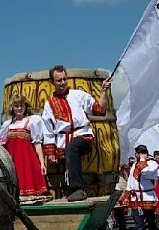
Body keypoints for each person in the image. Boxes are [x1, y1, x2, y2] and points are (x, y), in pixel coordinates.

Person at [42, 65, 110, 202]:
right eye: (58, 80)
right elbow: (48, 130)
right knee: (67, 152)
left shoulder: (79, 95)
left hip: (83, 136)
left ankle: (77, 189)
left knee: (72, 148)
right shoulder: (49, 104)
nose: (62, 83)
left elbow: (99, 110)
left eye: (64, 79)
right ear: (52, 82)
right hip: (63, 141)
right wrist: (50, 152)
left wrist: (104, 91)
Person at [0, 94, 50, 203]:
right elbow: (3, 144)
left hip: (26, 159)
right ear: (12, 107)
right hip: (12, 159)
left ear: (25, 106)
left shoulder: (32, 121)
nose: (19, 108)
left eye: (21, 105)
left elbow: (37, 143)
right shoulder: (7, 125)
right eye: (16, 105)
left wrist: (41, 163)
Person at [119, 145, 159, 230]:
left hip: (148, 197)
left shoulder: (153, 164)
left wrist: (143, 160)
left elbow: (147, 172)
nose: (140, 155)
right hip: (136, 197)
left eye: (143, 152)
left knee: (151, 223)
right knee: (139, 224)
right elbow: (131, 182)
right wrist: (126, 196)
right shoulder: (134, 166)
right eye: (139, 153)